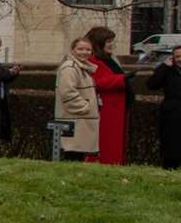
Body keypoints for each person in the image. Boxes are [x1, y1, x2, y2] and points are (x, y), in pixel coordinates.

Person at [83, 26, 132, 165]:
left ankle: (115, 162)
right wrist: (121, 79)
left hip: (116, 107)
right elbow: (94, 82)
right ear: (99, 43)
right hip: (105, 108)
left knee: (115, 140)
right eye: (108, 41)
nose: (111, 44)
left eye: (112, 41)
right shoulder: (93, 61)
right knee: (107, 140)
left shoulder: (110, 59)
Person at [54, 37, 100, 161]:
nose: (84, 52)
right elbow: (67, 92)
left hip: (79, 122)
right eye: (80, 49)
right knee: (72, 156)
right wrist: (85, 107)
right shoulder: (70, 67)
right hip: (74, 122)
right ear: (72, 50)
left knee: (77, 156)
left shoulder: (81, 67)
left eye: (88, 49)